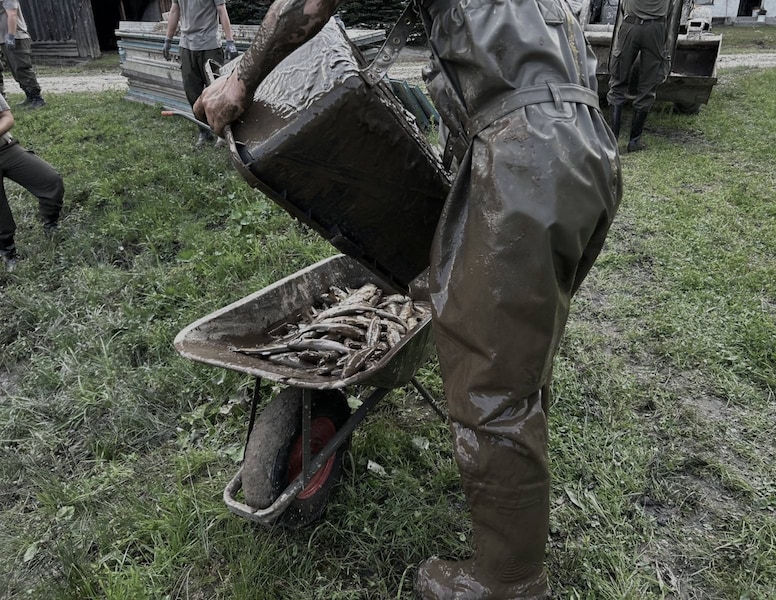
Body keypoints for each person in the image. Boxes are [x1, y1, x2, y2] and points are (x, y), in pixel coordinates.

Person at [195, 0, 621, 597]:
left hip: (528, 158)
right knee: (517, 353)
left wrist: (240, 78)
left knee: (491, 390)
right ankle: (515, 486)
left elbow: (306, 5)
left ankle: (510, 585)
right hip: (586, 147)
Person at [0, 95, 64, 271]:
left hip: (5, 148)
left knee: (51, 181)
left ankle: (51, 224)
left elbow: (7, 116)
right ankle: (7, 251)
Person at [163, 0, 238, 147]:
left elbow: (221, 10)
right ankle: (204, 131)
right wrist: (168, 39)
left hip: (209, 44)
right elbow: (174, 11)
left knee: (217, 91)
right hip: (186, 45)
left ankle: (222, 134)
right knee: (192, 91)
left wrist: (230, 41)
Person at [607, 0, 670, 152]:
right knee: (648, 85)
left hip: (630, 26)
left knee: (618, 82)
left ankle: (612, 139)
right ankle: (634, 141)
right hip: (656, 28)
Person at [0, 0, 45, 109]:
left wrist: (11, 35)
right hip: (3, 39)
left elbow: (12, 14)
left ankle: (37, 98)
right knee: (13, 71)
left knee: (22, 68)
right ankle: (28, 96)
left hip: (16, 37)